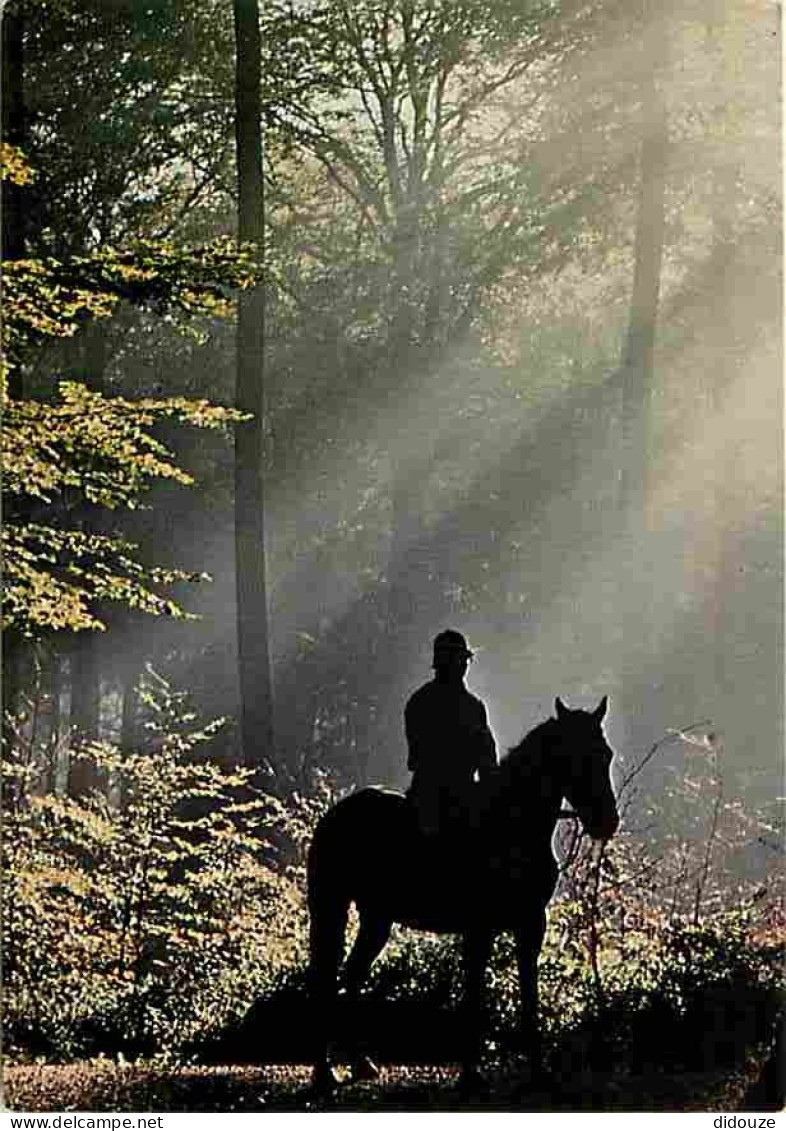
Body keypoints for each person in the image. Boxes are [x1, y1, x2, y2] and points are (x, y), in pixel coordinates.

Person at [405, 630, 497, 838]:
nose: (463, 665)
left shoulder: (420, 700)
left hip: (445, 794)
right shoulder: (468, 706)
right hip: (433, 798)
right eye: (459, 660)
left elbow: (488, 763)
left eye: (464, 660)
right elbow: (420, 757)